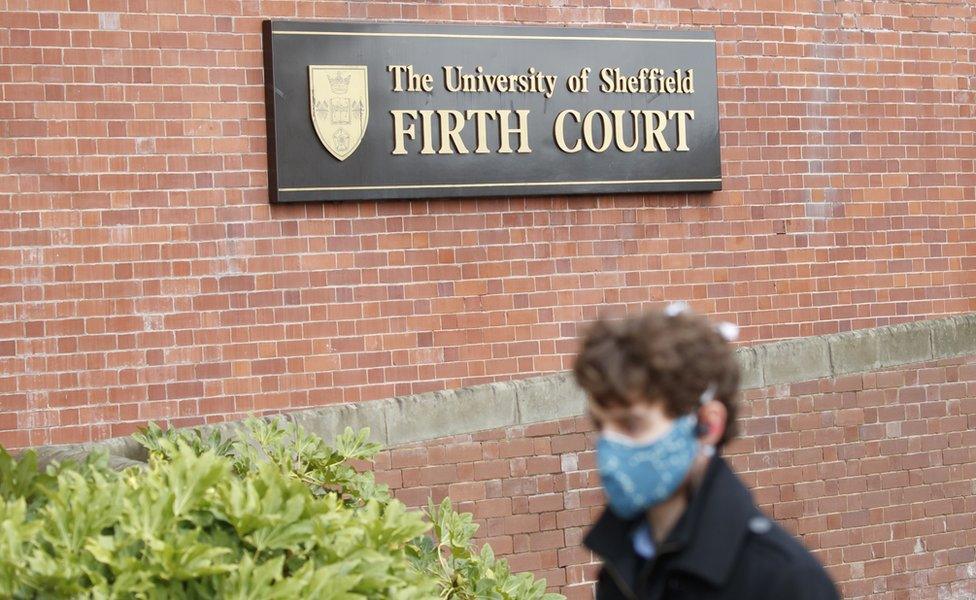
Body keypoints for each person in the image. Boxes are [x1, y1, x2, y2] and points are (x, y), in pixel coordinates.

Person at [573, 304, 840, 600]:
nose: (609, 448)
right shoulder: (621, 569)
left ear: (707, 425)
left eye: (632, 424)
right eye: (601, 424)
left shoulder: (784, 581)